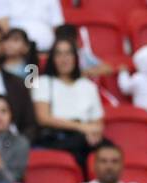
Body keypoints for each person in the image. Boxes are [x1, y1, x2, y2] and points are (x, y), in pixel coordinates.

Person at [31, 37, 105, 174]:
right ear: (52, 59)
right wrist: (82, 128)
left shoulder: (88, 86)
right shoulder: (43, 82)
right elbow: (43, 118)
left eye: (68, 53)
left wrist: (92, 132)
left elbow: (97, 123)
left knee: (109, 150)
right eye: (59, 54)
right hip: (56, 137)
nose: (64, 59)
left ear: (75, 57)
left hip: (85, 136)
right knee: (79, 146)